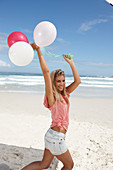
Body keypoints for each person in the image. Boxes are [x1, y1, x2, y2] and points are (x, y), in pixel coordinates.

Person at [22, 43, 81, 170]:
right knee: (69, 165)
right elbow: (46, 72)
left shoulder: (65, 94)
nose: (62, 84)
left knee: (44, 165)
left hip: (52, 136)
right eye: (58, 81)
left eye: (63, 80)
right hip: (55, 138)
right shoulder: (52, 96)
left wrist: (71, 63)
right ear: (54, 82)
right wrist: (38, 50)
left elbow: (78, 81)